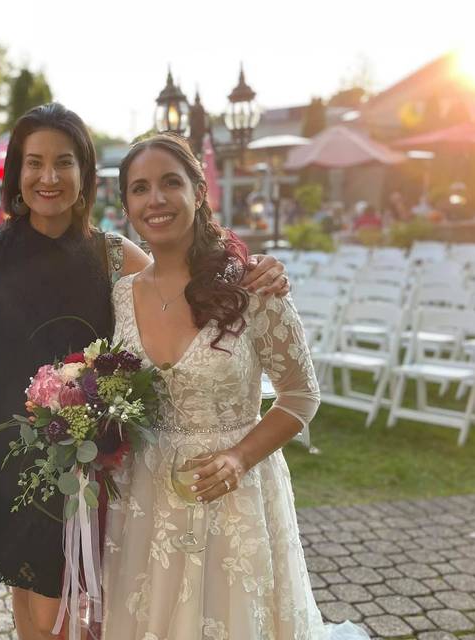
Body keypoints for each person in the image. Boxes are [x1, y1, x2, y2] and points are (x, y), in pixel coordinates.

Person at [0, 104, 290, 640]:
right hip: (14, 472)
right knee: (33, 618)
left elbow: (186, 271)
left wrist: (253, 270)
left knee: (75, 621)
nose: (49, 177)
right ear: (16, 173)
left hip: (93, 474)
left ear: (86, 173)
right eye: (34, 163)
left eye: (64, 162)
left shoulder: (117, 258)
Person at [102, 133, 368, 639]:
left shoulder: (252, 287)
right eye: (139, 189)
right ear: (127, 207)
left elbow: (301, 393)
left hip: (233, 499)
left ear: (199, 192)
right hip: (145, 500)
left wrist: (240, 457)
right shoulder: (120, 295)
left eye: (170, 183)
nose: (155, 199)